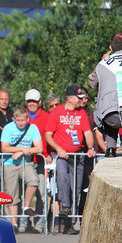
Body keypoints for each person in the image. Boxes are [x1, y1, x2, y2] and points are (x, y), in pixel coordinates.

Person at [44, 85, 97, 234]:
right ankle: (65, 206)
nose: (81, 101)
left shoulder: (82, 114)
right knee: (62, 175)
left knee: (77, 187)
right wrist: (59, 149)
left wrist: (90, 148)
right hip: (60, 154)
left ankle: (71, 222)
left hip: (77, 154)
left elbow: (87, 133)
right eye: (78, 98)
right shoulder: (56, 112)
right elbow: (48, 135)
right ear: (70, 99)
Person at [0, 107, 43, 231]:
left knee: (34, 181)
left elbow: (39, 148)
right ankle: (14, 223)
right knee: (12, 194)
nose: (20, 123)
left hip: (26, 162)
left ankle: (26, 206)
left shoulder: (32, 128)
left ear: (27, 119)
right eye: (18, 120)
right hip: (10, 163)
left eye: (23, 120)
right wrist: (22, 149)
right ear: (14, 120)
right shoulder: (8, 128)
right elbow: (5, 148)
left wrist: (24, 152)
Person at [20, 89, 50, 234]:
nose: (32, 104)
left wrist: (47, 154)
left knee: (42, 193)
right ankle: (23, 223)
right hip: (24, 160)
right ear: (26, 102)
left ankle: (40, 224)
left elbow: (50, 137)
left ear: (39, 102)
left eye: (34, 101)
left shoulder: (46, 116)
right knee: (23, 193)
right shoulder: (21, 117)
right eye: (29, 101)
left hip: (41, 159)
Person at [0, 88, 14, 153]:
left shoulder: (13, 114)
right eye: (1, 99)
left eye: (6, 99)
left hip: (13, 152)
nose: (4, 102)